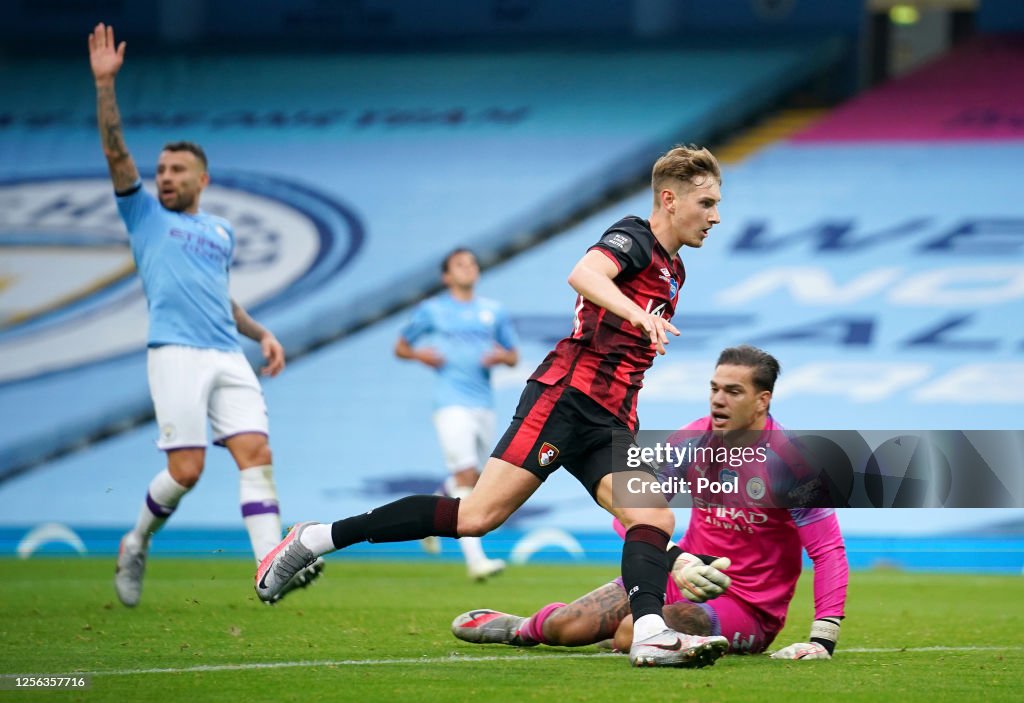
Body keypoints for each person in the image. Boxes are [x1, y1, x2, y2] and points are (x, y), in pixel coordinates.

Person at [256, 144, 727, 668]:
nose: (715, 215)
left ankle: (650, 634)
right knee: (476, 517)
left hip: (612, 416)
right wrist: (637, 315)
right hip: (565, 399)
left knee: (654, 517)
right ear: (669, 198)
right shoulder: (635, 236)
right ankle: (313, 538)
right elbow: (584, 275)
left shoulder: (675, 270)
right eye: (706, 203)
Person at [88, 23, 322, 607]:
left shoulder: (218, 231)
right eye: (161, 170)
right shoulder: (143, 214)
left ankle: (272, 565)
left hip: (226, 351)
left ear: (201, 179)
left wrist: (262, 331)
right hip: (176, 354)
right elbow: (116, 149)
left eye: (175, 171)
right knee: (187, 470)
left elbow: (221, 297)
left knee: (256, 454)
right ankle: (135, 543)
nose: (163, 177)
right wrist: (105, 85)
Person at [451, 346, 849, 660]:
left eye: (733, 391)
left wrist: (823, 640)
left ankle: (625, 639)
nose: (718, 401)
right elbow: (627, 509)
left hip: (746, 608)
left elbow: (828, 551)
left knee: (629, 632)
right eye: (714, 388)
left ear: (762, 401)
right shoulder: (690, 441)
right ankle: (523, 628)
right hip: (677, 578)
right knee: (564, 629)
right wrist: (675, 558)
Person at [394, 248, 519, 581]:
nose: (468, 269)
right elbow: (401, 346)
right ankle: (476, 560)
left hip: (484, 404)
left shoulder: (493, 312)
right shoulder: (433, 311)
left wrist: (500, 357)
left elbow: (513, 355)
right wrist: (422, 355)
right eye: (460, 265)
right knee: (466, 475)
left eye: (472, 264)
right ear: (446, 276)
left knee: (474, 481)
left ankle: (432, 512)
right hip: (451, 403)